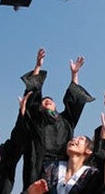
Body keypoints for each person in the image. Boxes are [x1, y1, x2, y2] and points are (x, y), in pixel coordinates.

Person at [19, 48, 95, 189]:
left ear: (55, 105)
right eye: (44, 101)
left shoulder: (66, 121)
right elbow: (32, 97)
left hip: (62, 167)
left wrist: (74, 75)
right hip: (37, 165)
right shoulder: (36, 119)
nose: (47, 101)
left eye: (50, 100)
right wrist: (38, 67)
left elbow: (74, 101)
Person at [25, 135, 103, 194]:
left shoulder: (92, 175)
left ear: (88, 151)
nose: (74, 139)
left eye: (81, 139)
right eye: (74, 138)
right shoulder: (49, 168)